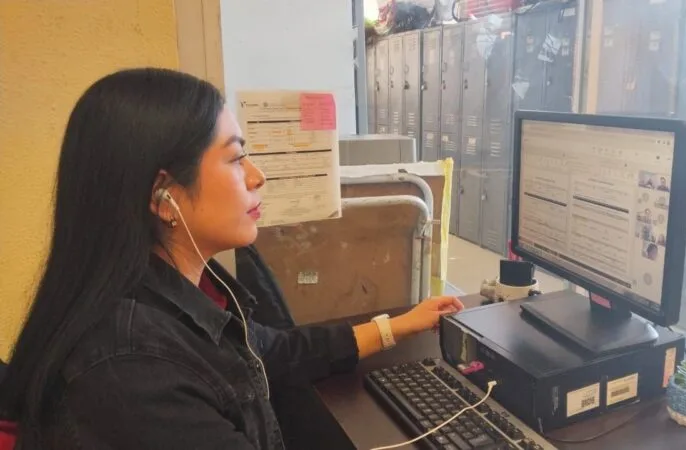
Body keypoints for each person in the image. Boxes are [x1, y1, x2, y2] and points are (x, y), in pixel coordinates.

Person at [0, 68, 463, 450]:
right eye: (236, 158)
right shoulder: (133, 370)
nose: (257, 177)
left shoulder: (179, 290)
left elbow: (272, 351)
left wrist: (398, 326)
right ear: (163, 196)